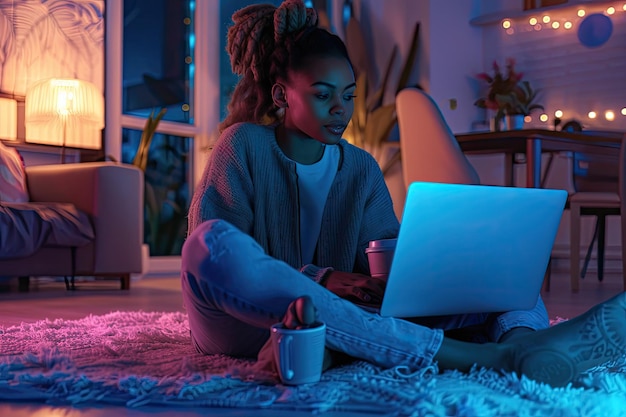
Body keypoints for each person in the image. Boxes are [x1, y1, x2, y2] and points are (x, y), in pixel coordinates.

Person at [181, 0, 626, 388]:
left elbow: (382, 256)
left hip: (333, 316)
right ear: (282, 95)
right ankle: (484, 357)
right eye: (323, 95)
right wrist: (321, 278)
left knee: (501, 270)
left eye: (349, 96)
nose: (340, 109)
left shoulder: (360, 166)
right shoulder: (242, 144)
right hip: (240, 320)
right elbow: (229, 258)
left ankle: (524, 344)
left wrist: (409, 267)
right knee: (209, 244)